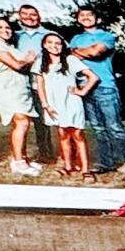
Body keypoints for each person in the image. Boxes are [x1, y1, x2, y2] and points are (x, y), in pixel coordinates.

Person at [67, 4, 125, 175]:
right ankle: (106, 163)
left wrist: (78, 52)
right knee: (98, 128)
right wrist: (83, 50)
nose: (85, 17)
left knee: (114, 127)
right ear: (77, 19)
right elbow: (71, 55)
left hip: (105, 87)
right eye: (82, 15)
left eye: (90, 15)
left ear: (97, 18)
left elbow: (96, 53)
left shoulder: (106, 35)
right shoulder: (76, 39)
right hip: (85, 89)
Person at [0, 13, 38, 176]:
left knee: (22, 122)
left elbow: (20, 66)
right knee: (21, 121)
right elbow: (17, 65)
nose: (5, 30)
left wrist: (25, 62)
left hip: (20, 86)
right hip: (7, 86)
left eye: (7, 27)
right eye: (0, 27)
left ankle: (20, 158)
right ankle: (19, 162)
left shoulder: (11, 47)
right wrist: (29, 60)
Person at [37, 31, 90, 179]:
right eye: (50, 43)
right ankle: (68, 166)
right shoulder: (41, 63)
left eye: (58, 43)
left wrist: (82, 91)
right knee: (62, 134)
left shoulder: (71, 60)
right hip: (54, 104)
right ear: (44, 45)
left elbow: (92, 77)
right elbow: (40, 85)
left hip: (71, 102)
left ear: (62, 46)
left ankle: (86, 169)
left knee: (77, 134)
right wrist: (45, 104)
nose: (54, 46)